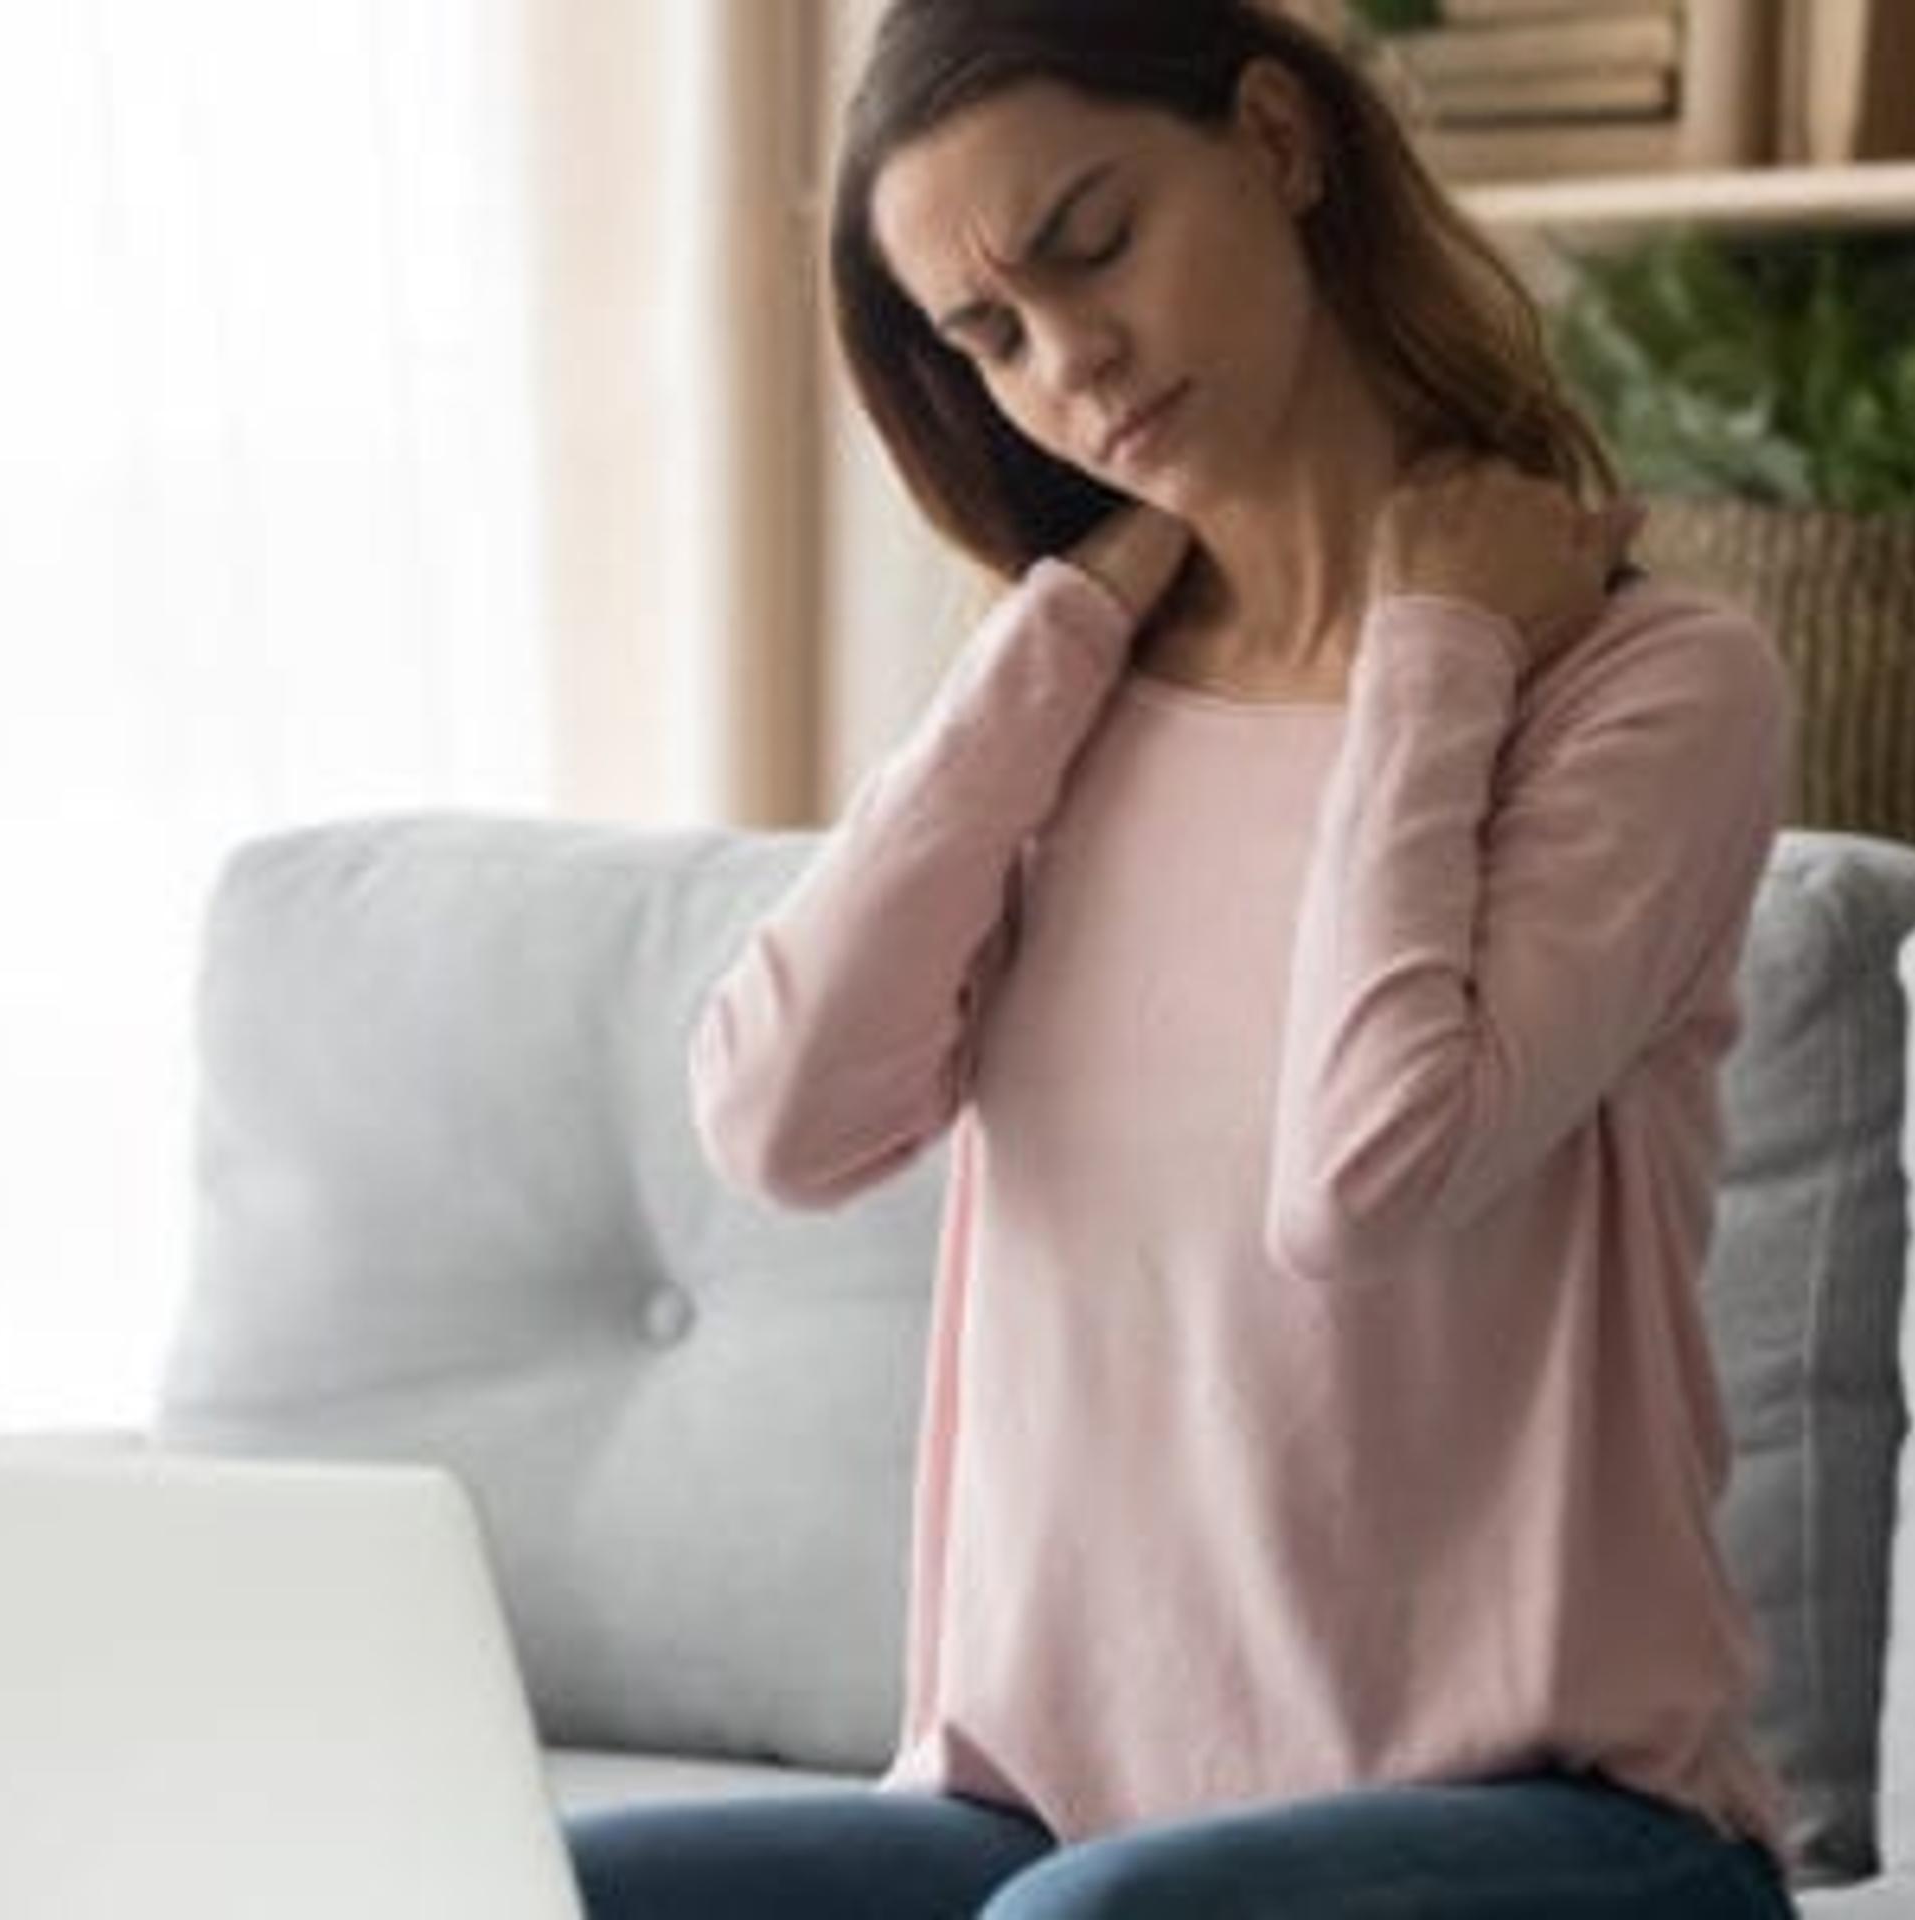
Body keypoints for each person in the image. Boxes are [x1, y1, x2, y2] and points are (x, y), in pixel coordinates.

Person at [579, 2, 1798, 1914]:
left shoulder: (1642, 687)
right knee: (500, 1880)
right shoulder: (1068, 710)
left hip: (1553, 1825)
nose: (1069, 359)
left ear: (1279, 142)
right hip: (1055, 1822)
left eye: (1092, 242)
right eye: (989, 338)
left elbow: (1368, 1175)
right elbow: (780, 1118)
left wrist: (1434, 654)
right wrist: (1054, 638)